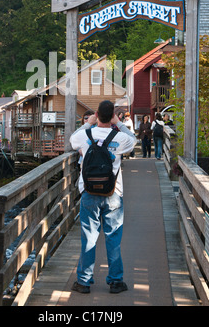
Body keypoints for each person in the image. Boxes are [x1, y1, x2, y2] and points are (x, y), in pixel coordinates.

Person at [70, 100, 137, 294]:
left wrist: (88, 123)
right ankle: (116, 281)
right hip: (113, 192)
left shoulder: (84, 135)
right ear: (113, 117)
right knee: (113, 237)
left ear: (97, 115)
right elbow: (133, 140)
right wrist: (120, 123)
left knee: (89, 237)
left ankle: (83, 281)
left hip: (89, 192)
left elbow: (72, 140)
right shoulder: (120, 137)